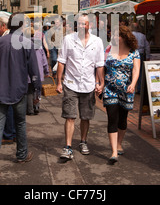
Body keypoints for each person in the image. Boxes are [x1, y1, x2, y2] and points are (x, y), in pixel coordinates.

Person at [0, 13, 41, 179]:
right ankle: (22, 155)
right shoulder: (26, 43)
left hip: (0, 89)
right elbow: (34, 70)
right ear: (22, 25)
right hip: (19, 90)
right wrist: (37, 90)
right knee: (20, 122)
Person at [56, 14, 105, 160]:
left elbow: (99, 64)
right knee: (70, 116)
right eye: (80, 24)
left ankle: (83, 141)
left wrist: (100, 83)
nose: (82, 26)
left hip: (88, 85)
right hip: (71, 84)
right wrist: (59, 82)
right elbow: (61, 61)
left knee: (85, 117)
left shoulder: (97, 42)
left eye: (85, 24)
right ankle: (68, 146)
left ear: (90, 25)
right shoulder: (68, 39)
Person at [102, 25, 140, 164]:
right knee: (112, 118)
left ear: (124, 37)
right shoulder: (108, 49)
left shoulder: (134, 52)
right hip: (110, 89)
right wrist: (100, 83)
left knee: (122, 120)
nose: (112, 37)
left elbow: (136, 70)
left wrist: (133, 84)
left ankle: (119, 143)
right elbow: (101, 67)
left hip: (126, 90)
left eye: (115, 35)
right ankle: (113, 152)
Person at [25, 27, 49, 115]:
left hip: (28, 71)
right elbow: (44, 59)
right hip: (38, 71)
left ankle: (30, 109)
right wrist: (46, 71)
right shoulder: (38, 44)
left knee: (29, 90)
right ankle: (36, 106)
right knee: (37, 89)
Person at [130, 22, 150, 94]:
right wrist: (148, 56)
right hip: (140, 54)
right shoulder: (143, 36)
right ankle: (139, 88)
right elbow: (147, 46)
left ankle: (130, 87)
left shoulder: (130, 35)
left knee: (131, 71)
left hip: (131, 54)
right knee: (139, 71)